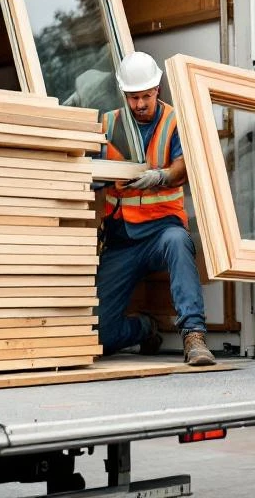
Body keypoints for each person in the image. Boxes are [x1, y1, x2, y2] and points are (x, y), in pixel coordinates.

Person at [95, 51, 215, 366]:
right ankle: (144, 327)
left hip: (163, 230)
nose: (140, 104)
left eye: (145, 96)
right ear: (124, 94)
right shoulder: (107, 123)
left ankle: (194, 336)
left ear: (157, 90)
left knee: (178, 242)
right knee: (96, 335)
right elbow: (91, 168)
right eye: (133, 97)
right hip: (123, 237)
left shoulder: (175, 120)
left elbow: (183, 167)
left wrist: (160, 176)